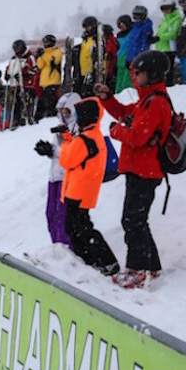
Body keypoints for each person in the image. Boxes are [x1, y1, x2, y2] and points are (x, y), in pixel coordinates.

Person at [95, 51, 173, 288]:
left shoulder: (156, 102)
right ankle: (151, 265)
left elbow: (138, 137)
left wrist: (115, 130)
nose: (134, 77)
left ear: (152, 74)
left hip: (145, 171)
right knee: (137, 219)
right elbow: (124, 113)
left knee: (132, 221)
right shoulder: (146, 100)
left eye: (138, 73)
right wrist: (108, 98)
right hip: (140, 169)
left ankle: (137, 269)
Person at [57, 98, 120, 276]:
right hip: (83, 189)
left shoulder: (85, 139)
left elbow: (67, 160)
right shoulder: (92, 135)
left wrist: (66, 141)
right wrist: (70, 138)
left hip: (78, 190)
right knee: (79, 226)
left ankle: (103, 261)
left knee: (79, 228)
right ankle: (89, 259)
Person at [33, 93, 82, 247]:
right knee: (51, 214)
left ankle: (65, 247)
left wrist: (53, 151)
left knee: (62, 216)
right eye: (60, 111)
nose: (62, 115)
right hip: (55, 176)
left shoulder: (77, 128)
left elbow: (74, 153)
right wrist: (48, 150)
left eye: (66, 111)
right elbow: (60, 151)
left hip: (67, 178)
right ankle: (56, 247)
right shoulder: (61, 128)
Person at [5, 40, 38, 126]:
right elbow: (9, 68)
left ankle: (27, 120)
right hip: (15, 85)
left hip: (26, 85)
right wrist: (7, 74)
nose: (16, 50)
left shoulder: (29, 57)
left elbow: (34, 70)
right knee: (15, 104)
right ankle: (16, 120)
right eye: (15, 48)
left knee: (25, 103)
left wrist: (23, 73)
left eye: (18, 48)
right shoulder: (13, 58)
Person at [154, 0, 183, 86]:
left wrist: (159, 37)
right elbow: (160, 32)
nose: (165, 10)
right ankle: (164, 86)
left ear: (173, 7)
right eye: (162, 8)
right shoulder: (165, 19)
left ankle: (169, 87)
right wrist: (155, 38)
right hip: (161, 48)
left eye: (167, 8)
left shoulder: (177, 18)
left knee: (168, 71)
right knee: (162, 70)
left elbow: (173, 34)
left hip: (170, 48)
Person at [36, 35, 64, 120]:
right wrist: (40, 56)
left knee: (50, 103)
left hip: (53, 81)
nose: (45, 44)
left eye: (47, 42)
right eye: (44, 42)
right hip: (44, 82)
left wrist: (43, 55)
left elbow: (52, 61)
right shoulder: (45, 53)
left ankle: (51, 117)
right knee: (42, 103)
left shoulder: (57, 51)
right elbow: (40, 65)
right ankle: (40, 119)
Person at [75, 17, 99, 97]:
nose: (86, 29)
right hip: (83, 70)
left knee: (90, 93)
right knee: (82, 93)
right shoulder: (85, 39)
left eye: (88, 26)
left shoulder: (97, 38)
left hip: (92, 70)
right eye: (85, 27)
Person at [116, 15, 136, 92]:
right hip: (120, 60)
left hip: (129, 60)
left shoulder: (133, 33)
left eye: (122, 25)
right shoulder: (119, 35)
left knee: (126, 83)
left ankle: (127, 96)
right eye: (119, 25)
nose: (121, 27)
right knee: (119, 83)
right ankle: (118, 95)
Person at [103, 25, 120, 90]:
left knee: (109, 83)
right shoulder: (112, 40)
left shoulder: (111, 41)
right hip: (112, 65)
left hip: (111, 66)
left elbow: (110, 54)